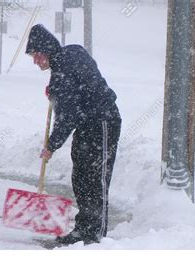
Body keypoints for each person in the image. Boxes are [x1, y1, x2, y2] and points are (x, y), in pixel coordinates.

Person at [26, 24, 121, 245]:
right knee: (81, 177)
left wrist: (51, 145)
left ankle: (96, 235)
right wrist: (56, 94)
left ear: (47, 50)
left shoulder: (64, 67)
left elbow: (68, 115)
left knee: (96, 179)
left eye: (36, 55)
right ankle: (83, 230)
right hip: (87, 123)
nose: (35, 61)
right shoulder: (67, 60)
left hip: (103, 120)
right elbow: (74, 101)